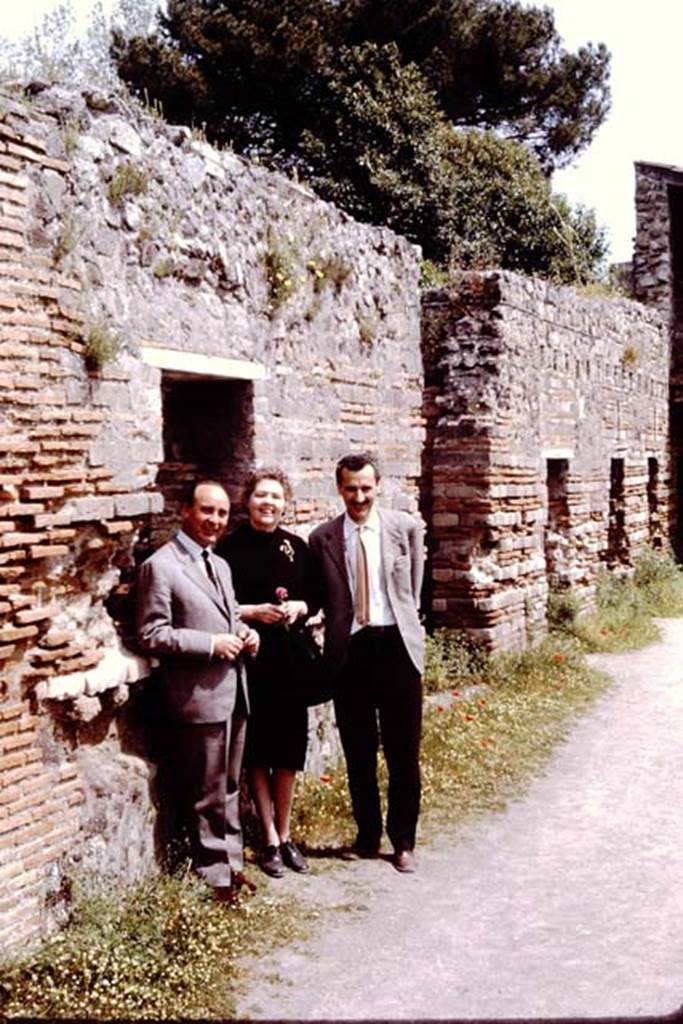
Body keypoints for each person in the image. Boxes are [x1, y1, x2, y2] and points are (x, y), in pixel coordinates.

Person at [136, 480, 260, 905]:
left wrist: (242, 633)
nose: (215, 521)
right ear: (185, 511)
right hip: (197, 697)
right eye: (207, 511)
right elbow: (151, 634)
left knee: (229, 785)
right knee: (206, 792)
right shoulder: (161, 566)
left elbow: (225, 618)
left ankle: (233, 865)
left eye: (223, 514)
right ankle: (213, 877)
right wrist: (209, 645)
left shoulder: (220, 565)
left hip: (233, 689)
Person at [308, 453, 425, 873]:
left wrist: (402, 624)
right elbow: (322, 595)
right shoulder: (322, 538)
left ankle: (404, 841)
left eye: (366, 488)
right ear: (339, 489)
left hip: (396, 647)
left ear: (379, 487)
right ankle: (367, 834)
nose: (359, 496)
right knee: (358, 750)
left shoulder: (404, 528)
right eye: (351, 488)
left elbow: (413, 588)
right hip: (350, 652)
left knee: (403, 752)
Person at [218, 468, 319, 879]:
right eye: (261, 496)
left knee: (289, 751)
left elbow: (315, 596)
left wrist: (300, 607)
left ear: (285, 503)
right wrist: (252, 612)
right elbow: (220, 603)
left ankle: (286, 830)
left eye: (276, 497)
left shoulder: (296, 546)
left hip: (290, 660)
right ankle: (270, 838)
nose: (268, 503)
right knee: (259, 751)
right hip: (252, 660)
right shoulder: (229, 550)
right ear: (248, 502)